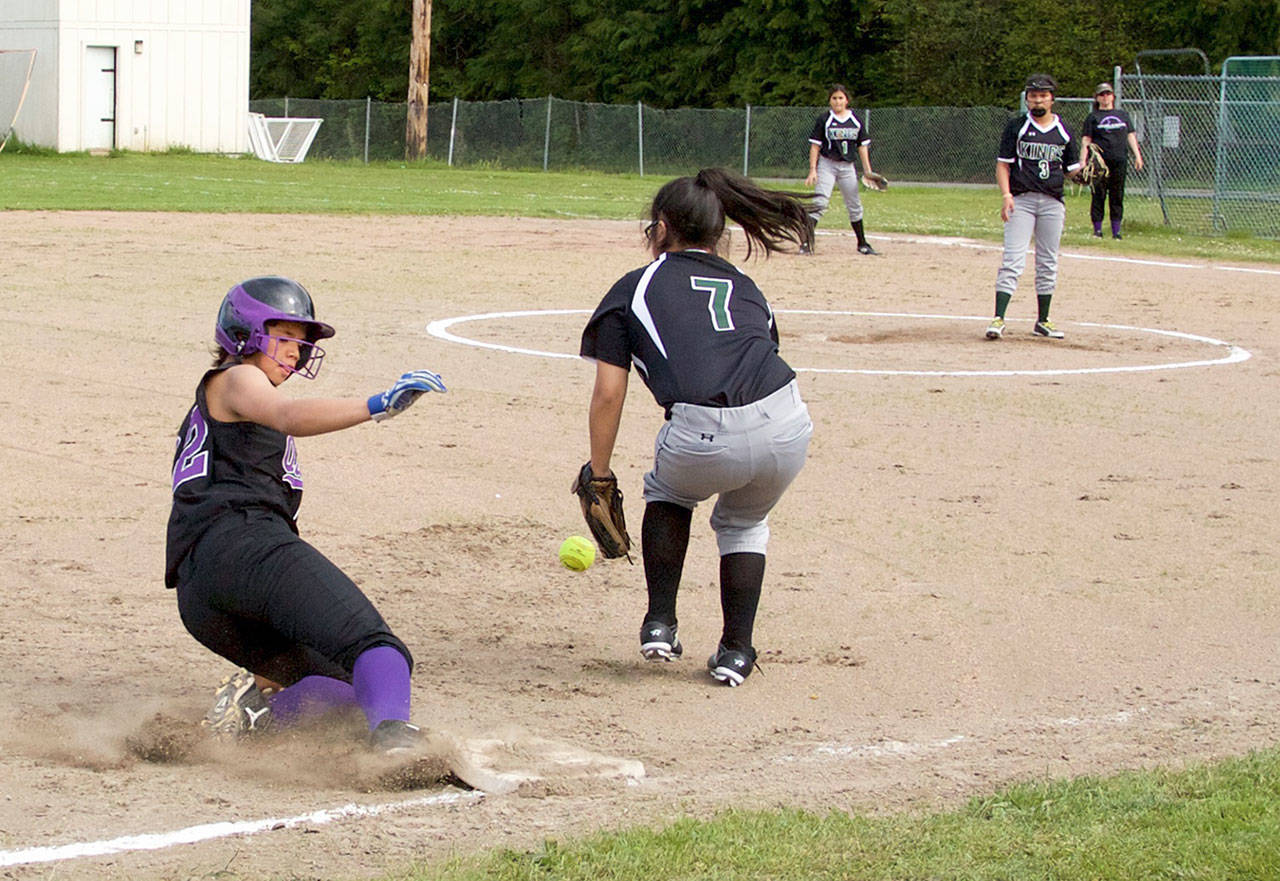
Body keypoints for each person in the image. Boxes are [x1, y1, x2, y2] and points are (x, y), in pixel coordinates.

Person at [165, 276, 446, 752]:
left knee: (359, 689)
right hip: (243, 545)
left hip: (202, 593)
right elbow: (290, 415)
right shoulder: (239, 377)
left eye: (303, 341)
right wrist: (376, 405)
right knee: (377, 647)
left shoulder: (231, 404)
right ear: (245, 333)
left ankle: (254, 714)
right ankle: (396, 745)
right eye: (285, 335)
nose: (297, 350)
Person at [578, 168, 815, 687]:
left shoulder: (634, 288)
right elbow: (764, 349)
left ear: (662, 228)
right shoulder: (746, 284)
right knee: (743, 524)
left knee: (669, 493)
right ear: (718, 230)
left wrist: (599, 473)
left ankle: (659, 623)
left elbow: (609, 393)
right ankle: (736, 652)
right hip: (788, 420)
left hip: (704, 430)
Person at [986, 73, 1082, 341]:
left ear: (1052, 99)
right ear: (1027, 99)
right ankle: (999, 318)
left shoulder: (1064, 130)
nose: (1038, 100)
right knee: (1013, 259)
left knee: (1047, 261)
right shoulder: (1016, 127)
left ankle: (1043, 320)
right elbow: (1003, 164)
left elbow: (1071, 170)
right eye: (1033, 95)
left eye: (1043, 95)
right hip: (1022, 200)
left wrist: (1086, 174)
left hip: (1052, 202)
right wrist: (1006, 195)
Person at [802, 83, 879, 255]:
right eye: (834, 98)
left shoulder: (855, 120)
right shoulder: (824, 119)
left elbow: (862, 147)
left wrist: (868, 171)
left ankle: (862, 244)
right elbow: (815, 146)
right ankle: (806, 243)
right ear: (830, 101)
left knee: (854, 204)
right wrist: (813, 169)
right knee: (820, 202)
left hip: (847, 167)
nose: (838, 101)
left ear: (847, 100)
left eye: (841, 98)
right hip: (827, 165)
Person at [1082, 81, 1144, 240]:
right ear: (1096, 98)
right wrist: (1083, 161)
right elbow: (1086, 140)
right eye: (1101, 95)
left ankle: (1116, 231)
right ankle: (1097, 230)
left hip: (1119, 160)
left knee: (1117, 195)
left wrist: (1137, 155)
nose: (1105, 97)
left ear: (1113, 96)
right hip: (1100, 163)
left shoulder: (1122, 115)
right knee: (1099, 195)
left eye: (1108, 94)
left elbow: (1131, 135)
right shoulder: (1093, 117)